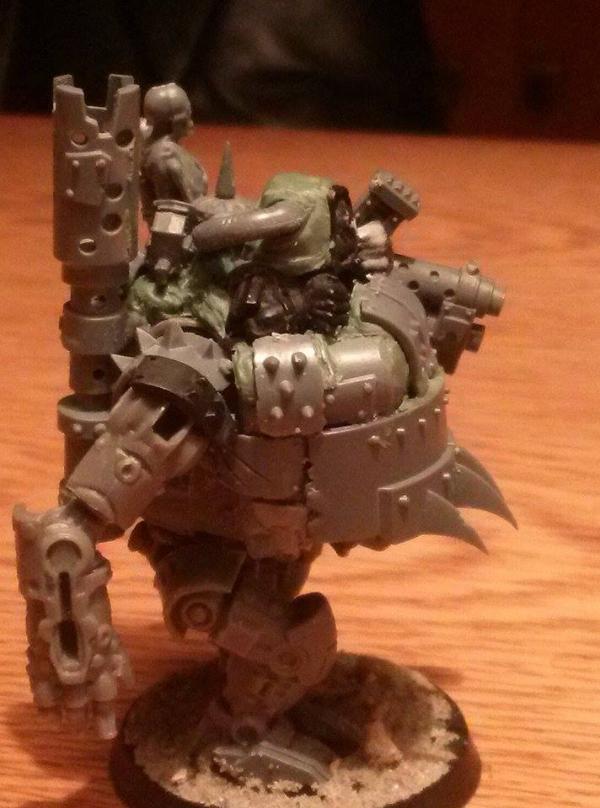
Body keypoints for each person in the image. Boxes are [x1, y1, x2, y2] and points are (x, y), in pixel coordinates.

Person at [140, 82, 208, 224]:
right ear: (175, 123)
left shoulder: (151, 146)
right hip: (176, 224)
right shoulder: (165, 155)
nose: (190, 123)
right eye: (186, 117)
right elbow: (192, 200)